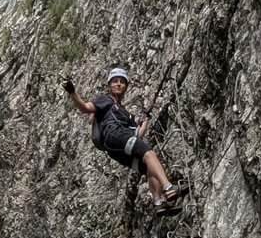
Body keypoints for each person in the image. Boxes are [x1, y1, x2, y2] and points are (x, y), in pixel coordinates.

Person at [64, 65, 182, 209]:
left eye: (122, 81)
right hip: (114, 134)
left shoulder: (126, 114)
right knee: (149, 154)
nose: (118, 83)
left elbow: (137, 135)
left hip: (116, 149)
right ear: (109, 85)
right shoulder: (105, 100)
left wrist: (145, 122)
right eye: (115, 81)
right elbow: (85, 108)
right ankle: (168, 187)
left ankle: (159, 202)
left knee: (148, 167)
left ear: (126, 86)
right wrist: (72, 92)